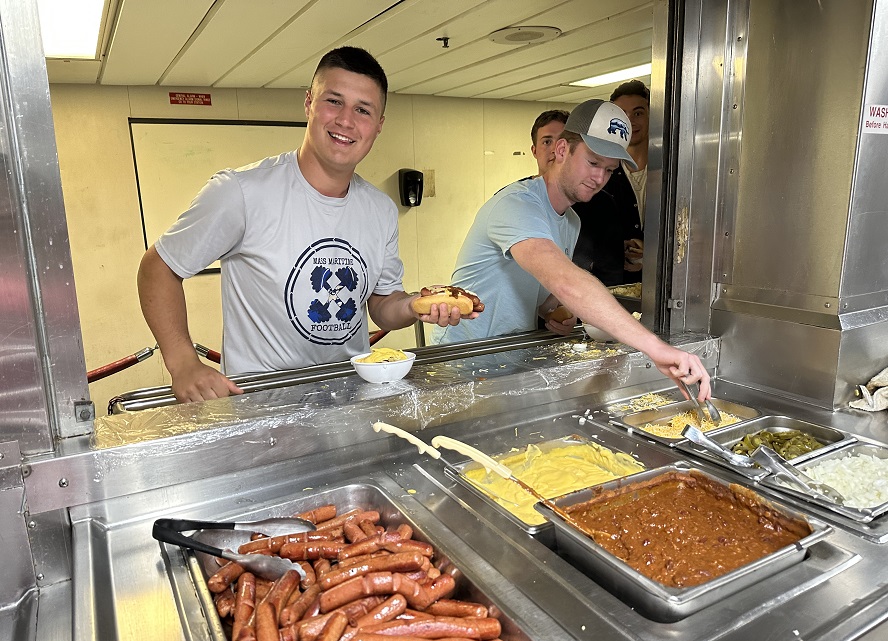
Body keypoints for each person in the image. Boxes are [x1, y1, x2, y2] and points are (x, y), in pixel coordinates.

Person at [138, 47, 473, 403]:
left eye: (363, 110)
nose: (346, 120)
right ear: (309, 103)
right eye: (334, 101)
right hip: (262, 409)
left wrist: (415, 306)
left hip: (350, 404)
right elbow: (158, 267)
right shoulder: (241, 192)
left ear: (378, 126)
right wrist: (183, 362)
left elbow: (382, 305)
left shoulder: (381, 210)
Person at [433, 98, 711, 398]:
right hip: (463, 358)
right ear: (562, 150)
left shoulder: (571, 222)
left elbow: (543, 295)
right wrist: (656, 348)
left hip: (511, 356)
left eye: (609, 170)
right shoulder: (516, 205)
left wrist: (556, 311)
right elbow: (564, 280)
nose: (599, 178)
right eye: (593, 163)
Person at [571, 80, 650, 286]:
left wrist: (651, 253)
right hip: (613, 286)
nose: (630, 121)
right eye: (623, 116)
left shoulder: (673, 174)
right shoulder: (596, 176)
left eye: (638, 113)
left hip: (659, 286)